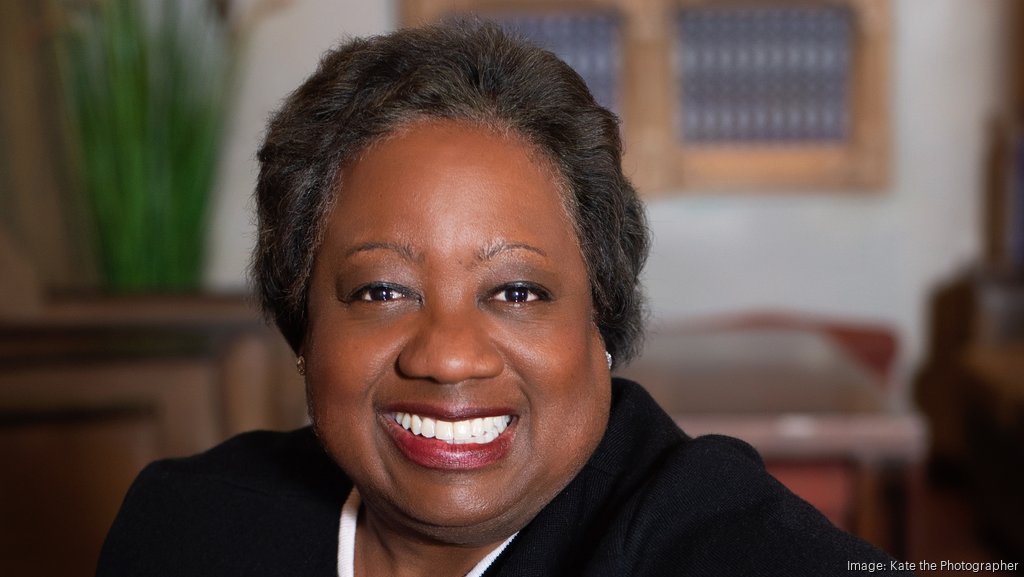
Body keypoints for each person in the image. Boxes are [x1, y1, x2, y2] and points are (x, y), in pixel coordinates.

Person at [97, 22, 912, 577]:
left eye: (517, 290)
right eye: (382, 289)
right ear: (303, 327)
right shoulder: (183, 529)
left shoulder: (710, 537)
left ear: (600, 319)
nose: (449, 356)